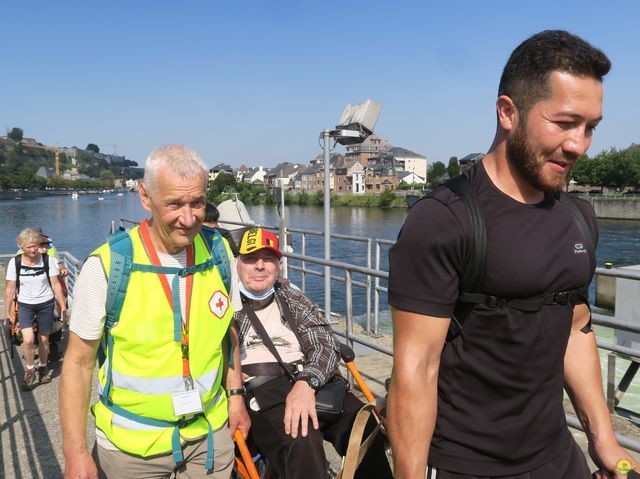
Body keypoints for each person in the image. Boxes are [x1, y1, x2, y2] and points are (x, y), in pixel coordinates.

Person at [387, 30, 634, 479]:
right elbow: (415, 369)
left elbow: (576, 329)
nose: (579, 144)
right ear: (508, 113)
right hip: (467, 464)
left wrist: (603, 439)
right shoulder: (445, 220)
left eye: (591, 127)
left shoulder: (578, 217)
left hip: (557, 457)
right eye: (564, 123)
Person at [60, 145, 249, 479]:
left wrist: (235, 395)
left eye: (198, 203)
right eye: (174, 204)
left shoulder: (220, 253)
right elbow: (78, 363)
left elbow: (228, 333)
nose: (189, 218)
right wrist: (75, 452)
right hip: (132, 448)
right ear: (145, 197)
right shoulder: (107, 266)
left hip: (208, 435)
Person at [233, 227, 392, 479]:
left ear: (279, 265)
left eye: (268, 259)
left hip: (309, 379)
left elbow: (325, 343)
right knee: (301, 434)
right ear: (237, 263)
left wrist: (307, 382)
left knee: (364, 426)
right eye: (251, 259)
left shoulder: (291, 297)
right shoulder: (224, 304)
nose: (260, 266)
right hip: (262, 390)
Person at [4, 228, 67, 389]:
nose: (32, 250)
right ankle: (30, 369)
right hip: (25, 305)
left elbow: (55, 285)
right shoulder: (15, 262)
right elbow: (10, 289)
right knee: (28, 340)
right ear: (22, 247)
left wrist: (63, 307)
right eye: (28, 247)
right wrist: (8, 312)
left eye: (34, 246)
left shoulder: (48, 261)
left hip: (45, 304)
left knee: (44, 339)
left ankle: (43, 367)